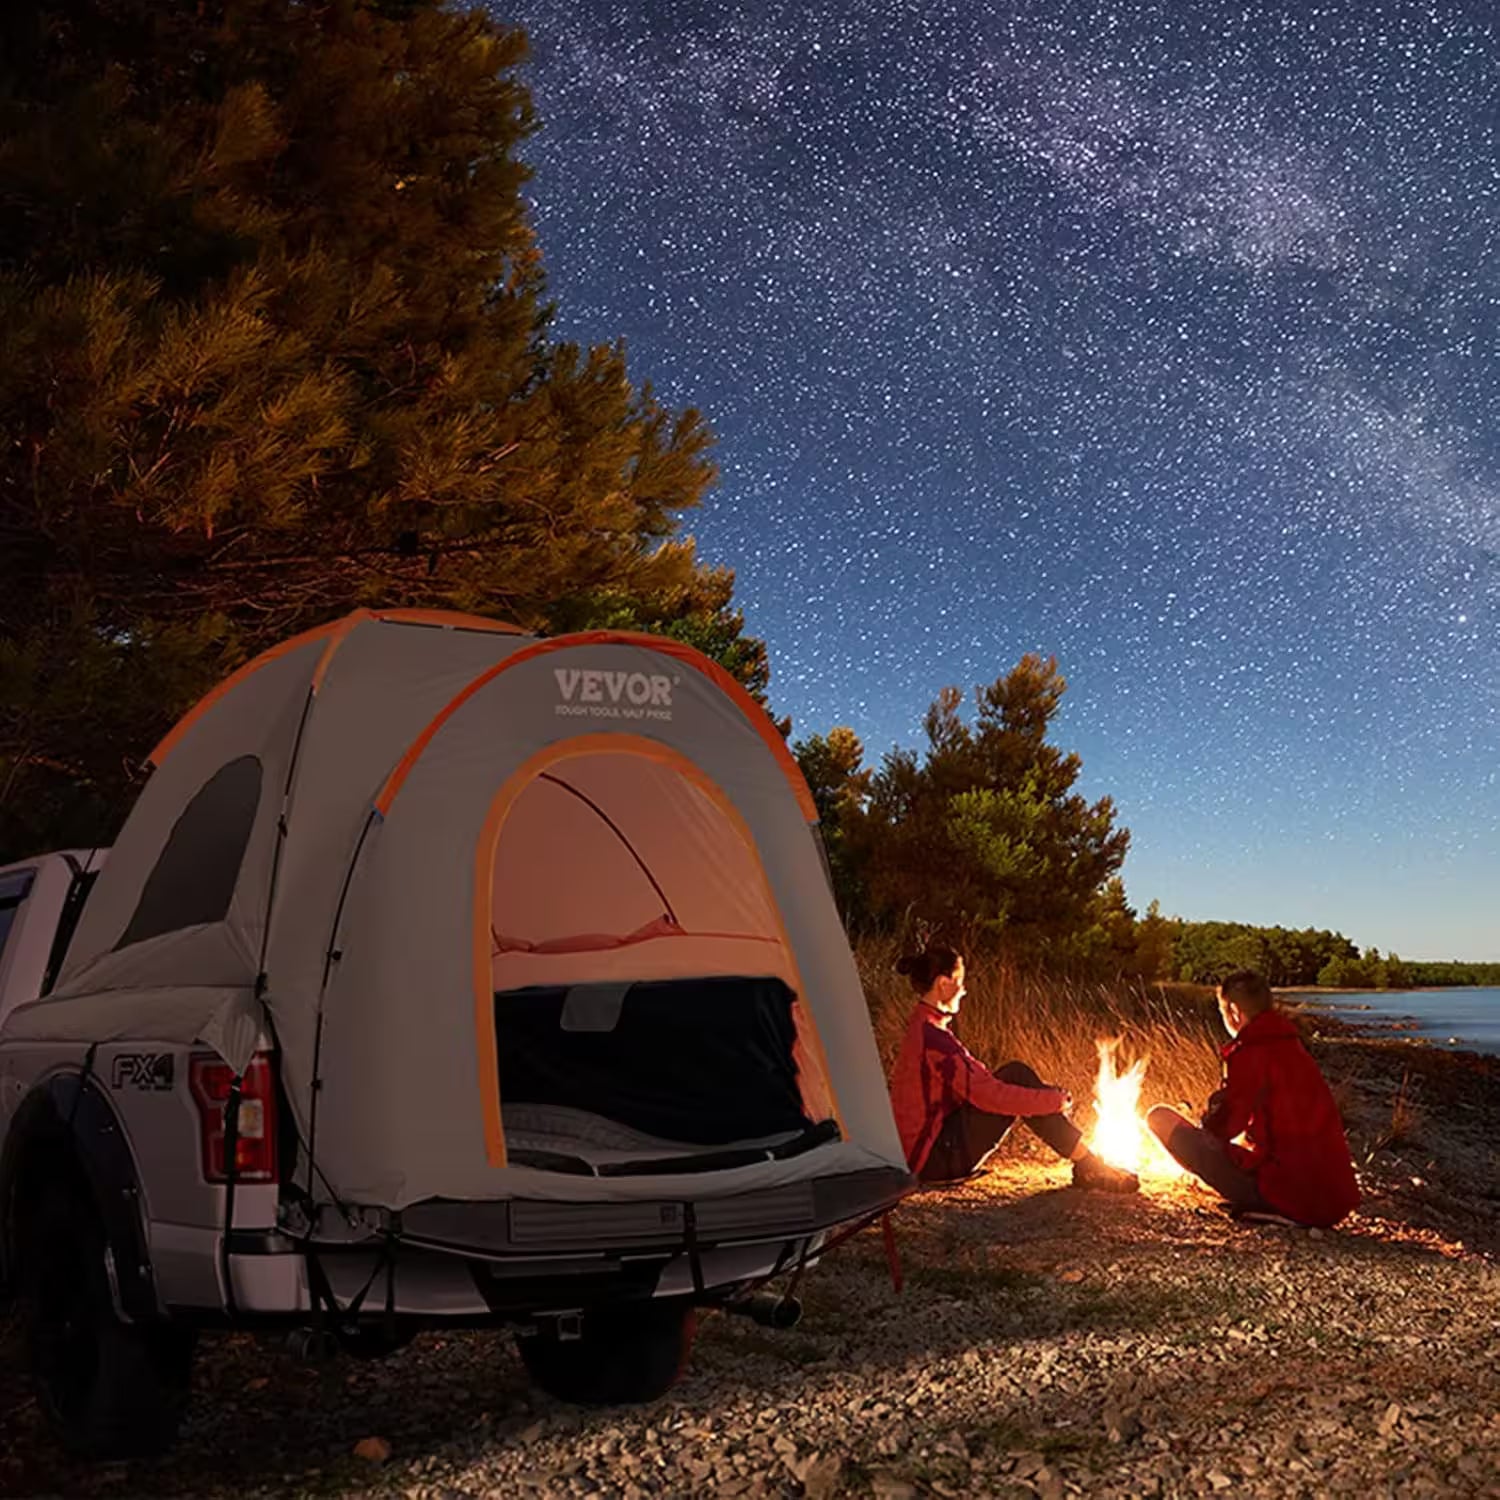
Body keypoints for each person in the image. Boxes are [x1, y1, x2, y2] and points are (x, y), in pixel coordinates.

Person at [889, 945, 1138, 1191]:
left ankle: (1088, 1163)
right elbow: (990, 1096)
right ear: (944, 984)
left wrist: (1044, 1097)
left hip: (928, 1152)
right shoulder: (934, 1038)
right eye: (960, 982)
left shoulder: (924, 1027)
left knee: (1014, 1074)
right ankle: (1090, 1165)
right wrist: (1054, 1101)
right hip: (934, 1161)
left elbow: (977, 1082)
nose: (964, 991)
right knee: (1017, 1076)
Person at [1146, 969, 1360, 1227]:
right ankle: (1275, 1206)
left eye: (1223, 1013)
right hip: (1333, 1201)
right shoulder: (1292, 1045)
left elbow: (1226, 1126)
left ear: (1234, 1012)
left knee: (1159, 1118)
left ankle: (1274, 1210)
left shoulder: (1250, 1051)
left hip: (1291, 1196)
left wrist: (1206, 1122)